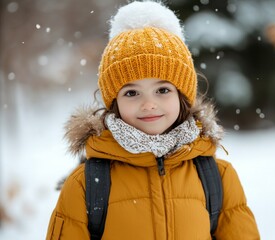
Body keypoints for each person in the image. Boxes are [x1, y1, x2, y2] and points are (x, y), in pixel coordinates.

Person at [45, 1, 260, 239]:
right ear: (114, 102)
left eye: (162, 90)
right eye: (132, 93)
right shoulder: (87, 184)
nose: (148, 104)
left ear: (182, 96)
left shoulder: (216, 177)